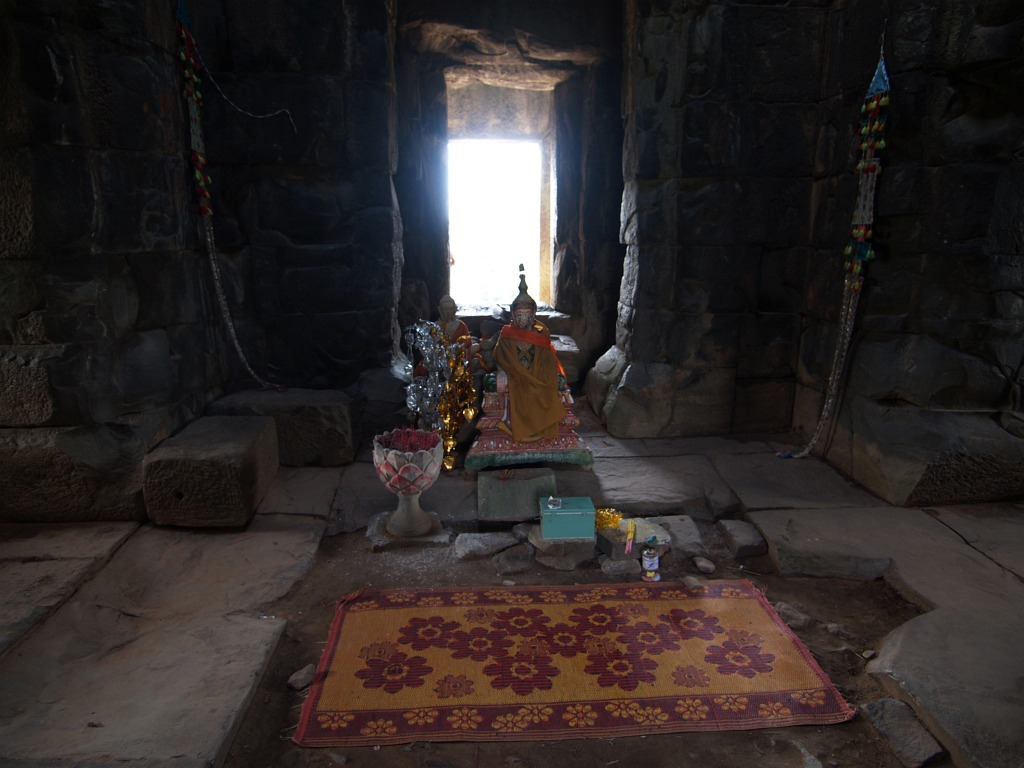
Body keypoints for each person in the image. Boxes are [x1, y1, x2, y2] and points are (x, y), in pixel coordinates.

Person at [493, 269, 567, 442]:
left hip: (537, 376)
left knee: (547, 386)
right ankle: (515, 426)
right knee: (513, 387)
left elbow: (548, 360)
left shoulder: (540, 334)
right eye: (519, 315)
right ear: (513, 315)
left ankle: (541, 428)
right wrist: (502, 371)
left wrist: (544, 376)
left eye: (527, 315)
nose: (523, 319)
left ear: (533, 315)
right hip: (515, 376)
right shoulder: (506, 334)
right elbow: (499, 357)